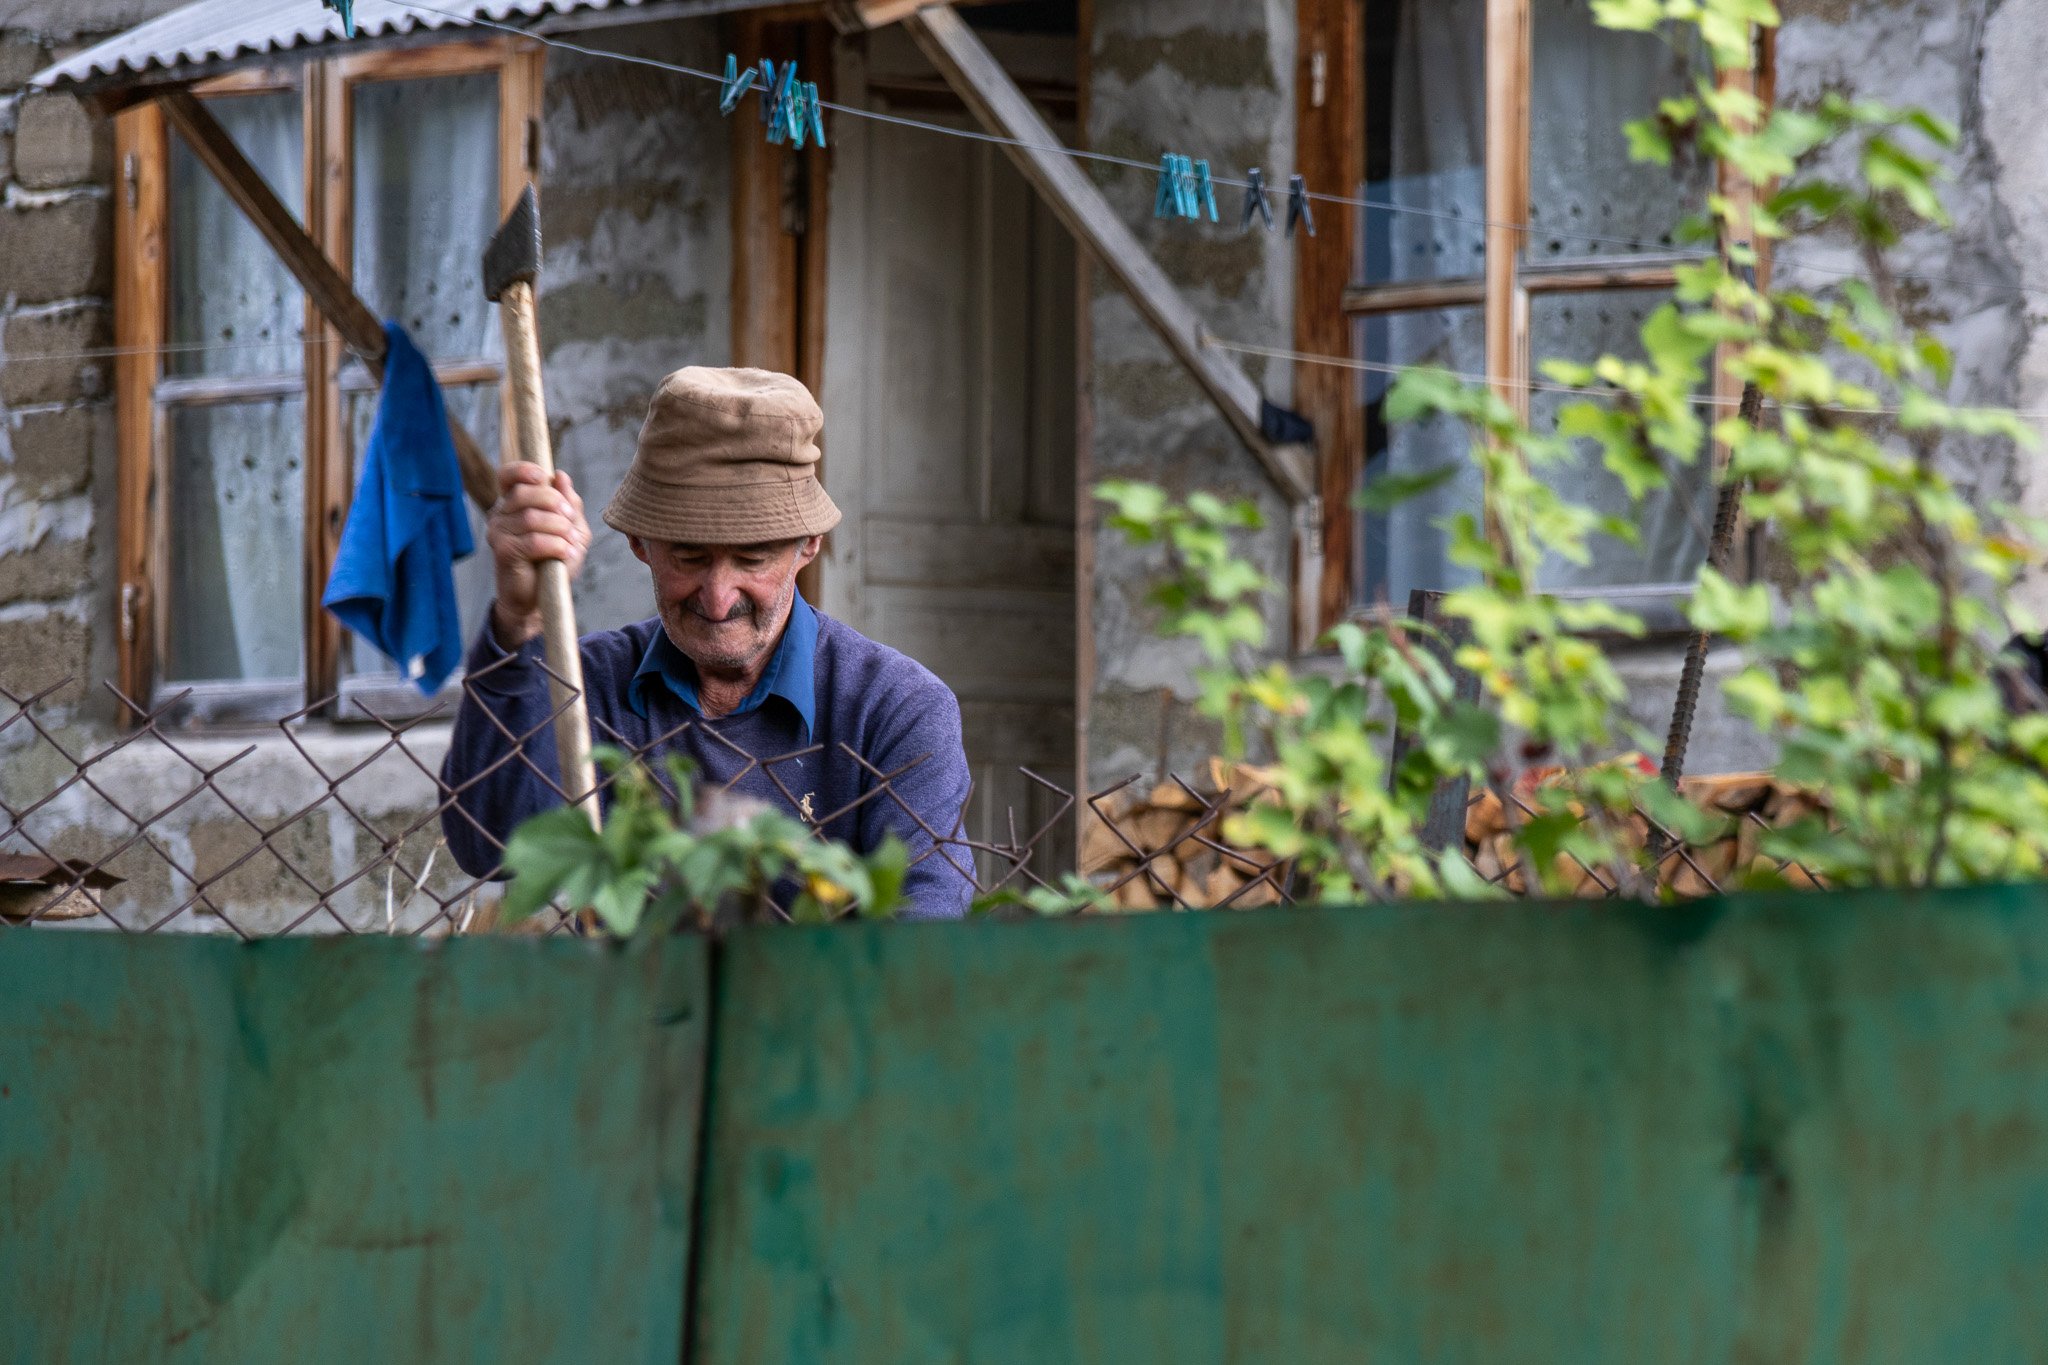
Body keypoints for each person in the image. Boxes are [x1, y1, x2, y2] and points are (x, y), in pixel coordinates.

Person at [439, 366, 975, 919]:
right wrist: (523, 622)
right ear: (639, 544)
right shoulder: (588, 684)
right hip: (634, 1004)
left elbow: (925, 927)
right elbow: (492, 848)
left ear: (808, 546)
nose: (718, 601)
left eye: (752, 559)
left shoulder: (897, 707)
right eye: (690, 558)